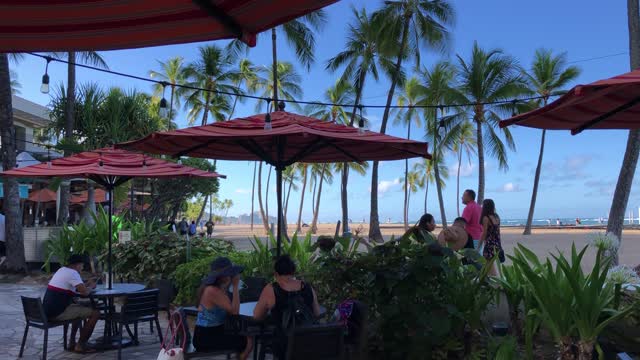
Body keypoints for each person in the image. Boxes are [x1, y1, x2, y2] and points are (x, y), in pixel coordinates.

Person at [254, 255, 321, 357]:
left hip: (285, 344)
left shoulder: (271, 289)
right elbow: (317, 313)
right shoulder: (307, 287)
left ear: (276, 273)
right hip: (309, 341)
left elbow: (257, 316)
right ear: (293, 271)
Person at [192, 257, 252, 359]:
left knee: (243, 336)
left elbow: (231, 310)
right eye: (230, 273)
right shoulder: (213, 291)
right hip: (206, 338)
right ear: (222, 275)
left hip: (210, 334)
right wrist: (236, 286)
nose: (232, 275)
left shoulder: (216, 288)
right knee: (248, 339)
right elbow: (235, 312)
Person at [42, 254, 100, 353]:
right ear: (77, 265)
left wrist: (86, 284)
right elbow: (84, 292)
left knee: (78, 308)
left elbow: (75, 287)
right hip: (57, 313)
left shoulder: (62, 270)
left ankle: (72, 342)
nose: (82, 268)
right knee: (95, 313)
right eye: (82, 265)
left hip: (47, 312)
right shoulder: (73, 273)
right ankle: (81, 345)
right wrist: (91, 287)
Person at [479, 199, 504, 276]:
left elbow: (484, 233)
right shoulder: (496, 217)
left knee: (489, 265)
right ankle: (488, 282)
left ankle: (497, 285)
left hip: (489, 244)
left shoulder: (486, 218)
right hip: (497, 243)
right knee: (488, 265)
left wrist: (479, 245)